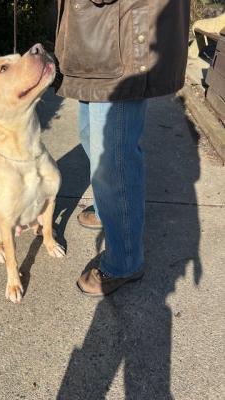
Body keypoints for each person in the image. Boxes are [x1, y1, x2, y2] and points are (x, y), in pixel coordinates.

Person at [54, 0, 190, 296]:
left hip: (124, 33)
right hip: (98, 34)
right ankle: (108, 210)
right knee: (92, 134)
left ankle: (125, 260)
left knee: (113, 156)